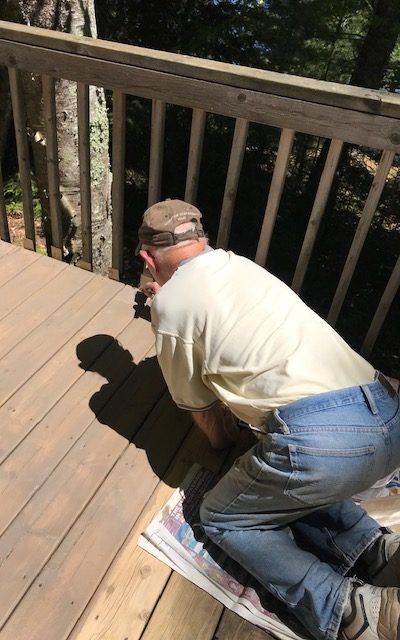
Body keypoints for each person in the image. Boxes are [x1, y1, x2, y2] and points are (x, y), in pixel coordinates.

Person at [136, 198, 400, 640]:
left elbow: (215, 432)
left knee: (224, 515)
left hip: (325, 441)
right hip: (386, 412)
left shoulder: (171, 305)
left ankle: (355, 609)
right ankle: (378, 552)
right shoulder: (240, 266)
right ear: (202, 240)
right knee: (289, 482)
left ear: (148, 258)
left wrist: (165, 310)